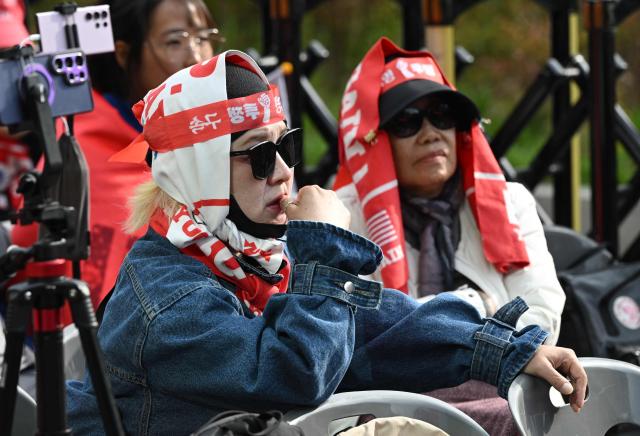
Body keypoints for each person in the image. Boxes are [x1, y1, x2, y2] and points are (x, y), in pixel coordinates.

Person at [65, 50, 586, 435]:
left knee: (507, 413)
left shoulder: (246, 256)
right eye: (259, 155)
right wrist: (328, 245)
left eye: (286, 146)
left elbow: (382, 323)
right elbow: (295, 373)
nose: (285, 172)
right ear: (197, 176)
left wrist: (511, 351)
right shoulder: (166, 302)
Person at [333, 37, 567, 435]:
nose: (430, 134)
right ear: (373, 142)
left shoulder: (509, 201)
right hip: (392, 402)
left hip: (504, 383)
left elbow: (542, 315)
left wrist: (451, 333)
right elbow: (355, 338)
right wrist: (482, 309)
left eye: (442, 115)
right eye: (407, 121)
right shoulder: (339, 216)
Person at [10, 0, 223, 310]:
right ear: (124, 54)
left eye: (204, 38)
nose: (196, 57)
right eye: (175, 41)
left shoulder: (210, 135)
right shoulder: (85, 151)